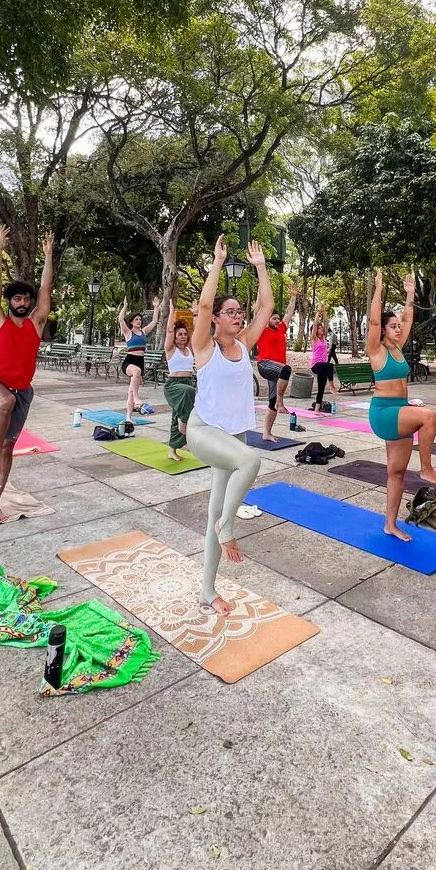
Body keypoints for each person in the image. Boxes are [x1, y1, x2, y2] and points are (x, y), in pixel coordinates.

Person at [187, 236, 272, 618]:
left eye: (241, 312)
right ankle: (227, 527)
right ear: (217, 318)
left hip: (232, 436)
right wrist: (217, 262)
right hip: (204, 431)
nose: (238, 316)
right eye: (232, 312)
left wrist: (260, 266)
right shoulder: (205, 346)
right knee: (250, 462)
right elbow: (203, 304)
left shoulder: (245, 345)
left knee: (213, 511)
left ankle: (207, 591)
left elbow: (266, 306)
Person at [366, 269, 436, 541]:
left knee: (397, 471)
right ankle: (426, 468)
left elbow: (408, 318)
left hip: (399, 410)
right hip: (384, 412)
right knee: (428, 416)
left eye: (398, 326)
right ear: (383, 330)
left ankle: (389, 524)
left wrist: (411, 294)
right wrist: (378, 288)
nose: (398, 328)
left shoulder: (397, 348)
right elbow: (373, 322)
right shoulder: (377, 350)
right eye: (393, 326)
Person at [0, 227, 54, 522]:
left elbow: (45, 290)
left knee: (10, 447)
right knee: (5, 402)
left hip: (24, 391)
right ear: (10, 302)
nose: (22, 303)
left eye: (26, 299)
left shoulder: (35, 324)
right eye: (17, 299)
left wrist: (48, 256)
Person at [256, 280, 299, 441]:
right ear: (267, 319)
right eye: (274, 318)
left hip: (277, 370)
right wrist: (261, 289)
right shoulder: (262, 329)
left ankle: (266, 433)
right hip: (265, 364)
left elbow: (289, 312)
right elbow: (258, 310)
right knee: (286, 369)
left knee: (271, 402)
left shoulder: (281, 329)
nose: (277, 320)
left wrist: (293, 296)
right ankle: (281, 401)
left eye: (277, 318)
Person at [117, 295, 159, 424]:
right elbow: (120, 319)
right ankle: (136, 398)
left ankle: (129, 417)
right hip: (129, 361)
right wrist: (124, 307)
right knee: (135, 372)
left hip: (140, 362)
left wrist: (156, 307)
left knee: (130, 390)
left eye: (140, 319)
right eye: (136, 319)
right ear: (131, 322)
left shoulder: (144, 332)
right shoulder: (128, 333)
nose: (139, 321)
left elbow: (154, 322)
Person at [163, 307, 196, 461]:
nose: (183, 336)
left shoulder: (189, 349)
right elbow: (169, 331)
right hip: (174, 386)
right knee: (189, 391)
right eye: (179, 334)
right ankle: (184, 422)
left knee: (175, 415)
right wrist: (171, 314)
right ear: (175, 337)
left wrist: (195, 314)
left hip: (187, 383)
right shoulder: (170, 349)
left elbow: (196, 332)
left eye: (184, 334)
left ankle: (172, 450)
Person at [309, 306, 338, 412]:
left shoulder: (324, 338)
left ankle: (316, 409)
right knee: (330, 365)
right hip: (316, 365)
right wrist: (317, 312)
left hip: (323, 366)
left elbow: (326, 323)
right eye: (319, 328)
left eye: (321, 328)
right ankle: (332, 387)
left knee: (321, 387)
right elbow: (316, 323)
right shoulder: (314, 339)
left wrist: (324, 312)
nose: (321, 329)